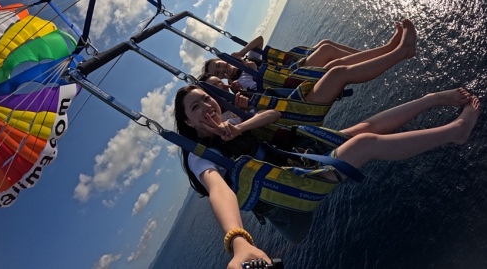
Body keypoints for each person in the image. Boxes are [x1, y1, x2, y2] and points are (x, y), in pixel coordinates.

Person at [174, 84, 481, 269]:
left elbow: (273, 115)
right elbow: (218, 189)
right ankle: (456, 131)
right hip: (290, 198)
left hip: (300, 161)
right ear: (188, 122)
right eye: (195, 107)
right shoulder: (199, 156)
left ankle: (430, 98)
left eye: (206, 99)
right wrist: (237, 239)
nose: (206, 107)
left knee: (360, 129)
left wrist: (239, 127)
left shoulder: (230, 120)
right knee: (364, 144)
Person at [203, 19, 409, 93]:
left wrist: (241, 53)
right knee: (328, 52)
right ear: (221, 78)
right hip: (290, 80)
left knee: (325, 43)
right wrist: (253, 71)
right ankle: (388, 50)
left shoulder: (246, 59)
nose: (222, 69)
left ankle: (381, 51)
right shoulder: (240, 83)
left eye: (219, 64)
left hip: (290, 68)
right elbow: (262, 91)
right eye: (218, 72)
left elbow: (259, 40)